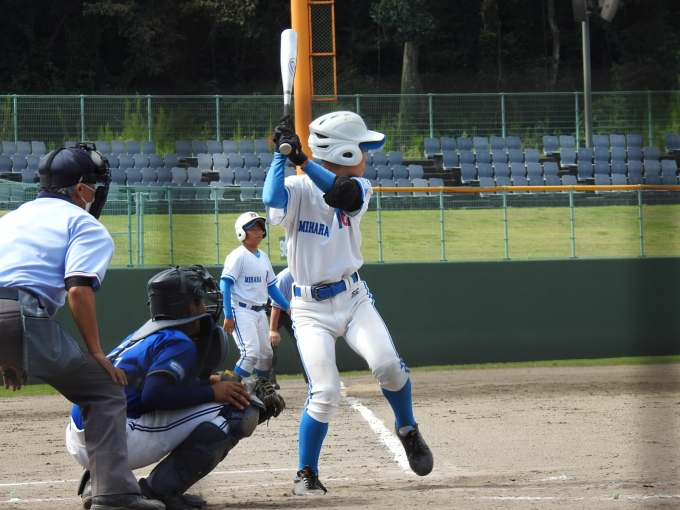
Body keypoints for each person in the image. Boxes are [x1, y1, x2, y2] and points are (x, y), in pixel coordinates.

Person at [262, 111, 434, 496]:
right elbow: (271, 199)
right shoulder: (296, 188)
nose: (366, 156)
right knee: (325, 391)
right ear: (343, 152)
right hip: (308, 309)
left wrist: (300, 157)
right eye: (361, 149)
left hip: (352, 298)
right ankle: (306, 473)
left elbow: (341, 194)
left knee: (388, 367)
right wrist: (279, 155)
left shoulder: (360, 186)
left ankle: (407, 429)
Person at [0, 143, 164, 510]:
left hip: (11, 317)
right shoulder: (84, 224)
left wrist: (8, 354)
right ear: (78, 188)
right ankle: (115, 494)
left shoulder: (10, 218)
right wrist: (96, 352)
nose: (95, 194)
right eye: (93, 187)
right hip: (20, 316)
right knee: (104, 391)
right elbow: (77, 289)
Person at [66, 265, 283, 510]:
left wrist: (211, 382)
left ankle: (101, 481)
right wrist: (213, 392)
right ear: (190, 307)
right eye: (201, 301)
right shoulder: (179, 342)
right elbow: (154, 395)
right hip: (116, 439)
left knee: (206, 399)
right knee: (239, 410)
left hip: (83, 435)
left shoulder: (144, 336)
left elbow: (149, 386)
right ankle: (160, 491)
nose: (205, 307)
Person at [220, 212, 290, 381]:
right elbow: (225, 284)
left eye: (260, 228)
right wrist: (228, 315)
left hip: (260, 312)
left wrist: (288, 307)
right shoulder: (238, 256)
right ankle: (232, 389)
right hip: (241, 310)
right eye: (252, 229)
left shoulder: (263, 257)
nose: (258, 232)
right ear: (241, 232)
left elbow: (271, 287)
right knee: (250, 354)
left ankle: (262, 390)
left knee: (266, 356)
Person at [266, 267, 308, 389]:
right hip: (273, 310)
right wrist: (273, 330)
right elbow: (276, 305)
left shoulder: (308, 273)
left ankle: (311, 379)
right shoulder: (285, 278)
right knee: (270, 345)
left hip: (293, 310)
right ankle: (268, 381)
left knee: (303, 343)